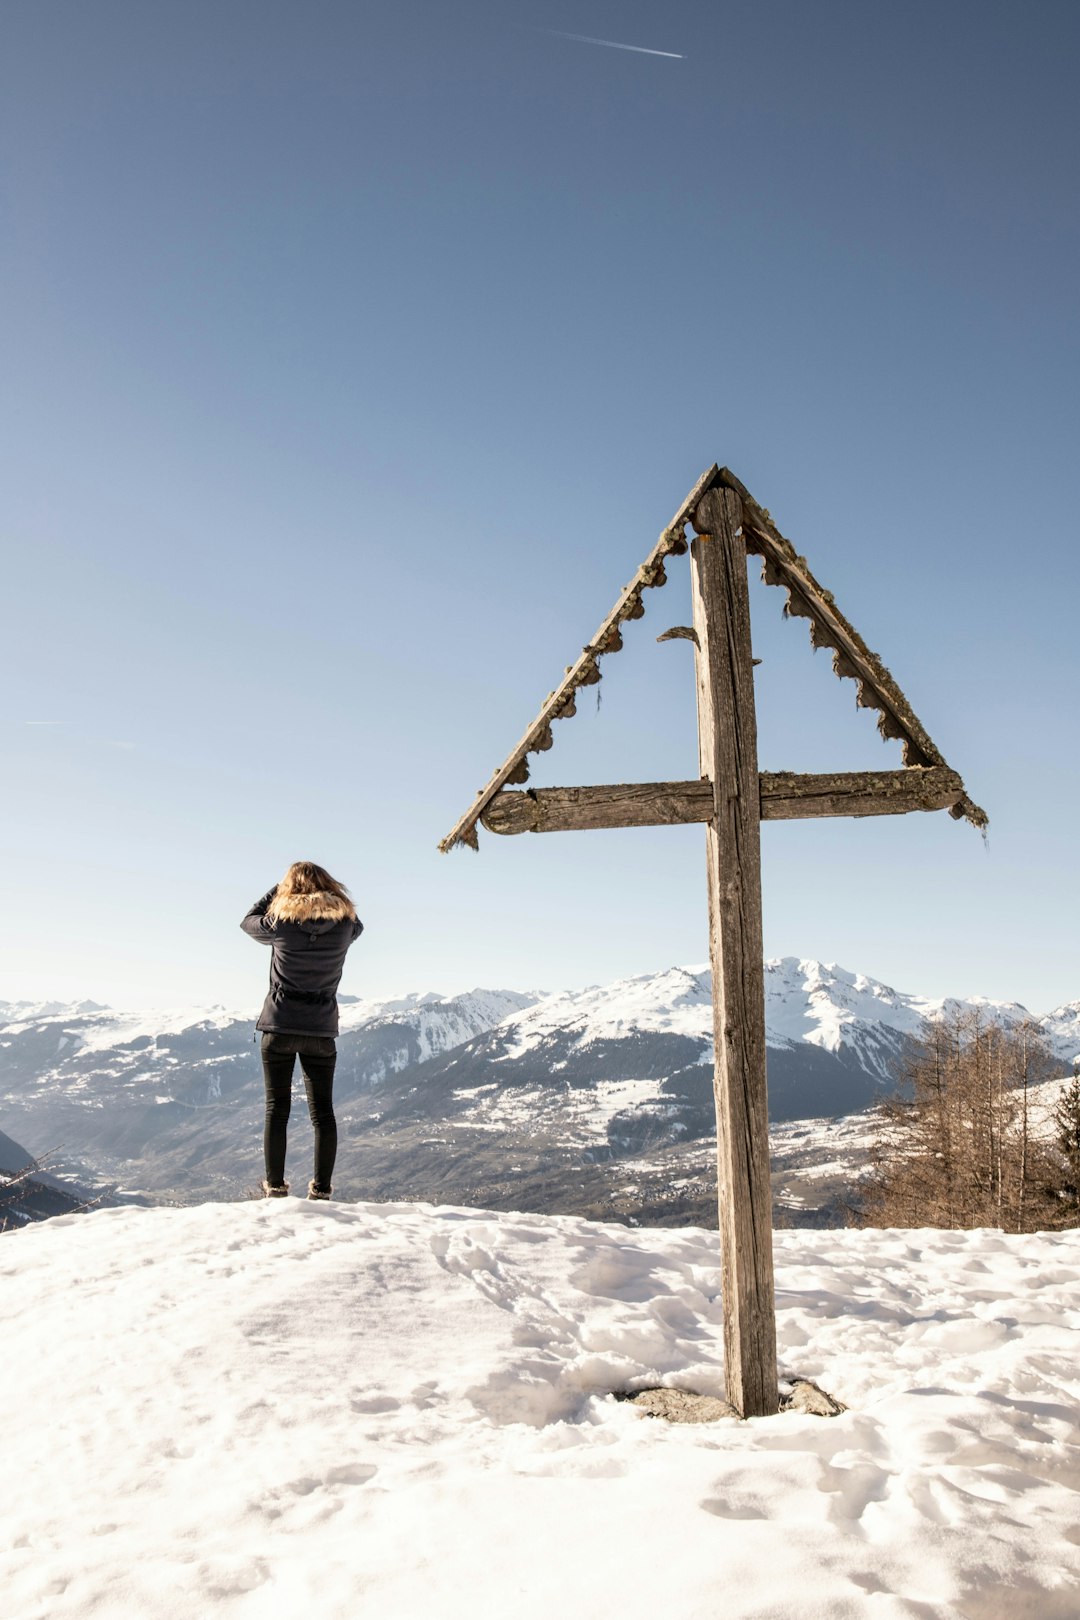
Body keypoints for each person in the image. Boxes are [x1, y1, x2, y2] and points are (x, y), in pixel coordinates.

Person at [241, 861, 363, 1201]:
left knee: (276, 1109)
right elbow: (359, 925)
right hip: (321, 1030)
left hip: (279, 1024)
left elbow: (247, 921)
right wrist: (335, 896)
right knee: (323, 1112)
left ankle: (275, 1188)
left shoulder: (280, 922)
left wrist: (278, 891)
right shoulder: (345, 926)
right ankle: (321, 1190)